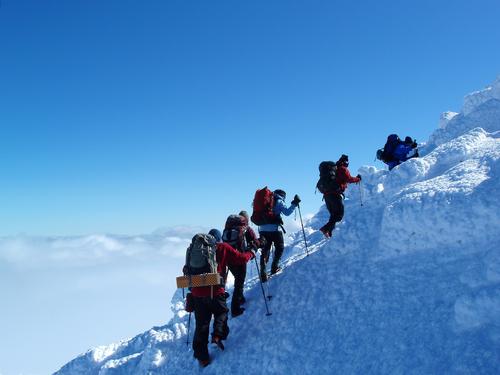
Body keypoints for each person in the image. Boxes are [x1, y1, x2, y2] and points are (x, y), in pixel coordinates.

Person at [189, 229, 256, 367]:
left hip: (197, 294)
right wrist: (252, 252)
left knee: (201, 324)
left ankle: (203, 357)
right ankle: (218, 335)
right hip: (215, 292)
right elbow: (241, 258)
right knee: (221, 312)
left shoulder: (195, 250)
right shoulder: (222, 247)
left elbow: (187, 270)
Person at [226, 211, 264, 317]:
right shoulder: (246, 229)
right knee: (239, 282)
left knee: (237, 279)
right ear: (246, 219)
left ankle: (240, 298)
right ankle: (235, 308)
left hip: (229, 258)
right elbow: (255, 242)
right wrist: (260, 242)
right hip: (240, 258)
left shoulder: (231, 228)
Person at [258, 190, 301, 281]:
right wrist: (295, 203)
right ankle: (274, 267)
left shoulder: (265, 201)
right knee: (279, 247)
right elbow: (287, 212)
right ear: (283, 196)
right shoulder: (279, 200)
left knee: (265, 250)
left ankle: (263, 271)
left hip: (262, 230)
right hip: (274, 230)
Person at [319, 154, 361, 238]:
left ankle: (330, 233)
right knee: (339, 215)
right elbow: (349, 179)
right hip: (335, 195)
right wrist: (358, 179)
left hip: (327, 196)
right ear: (345, 162)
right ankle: (325, 229)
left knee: (333, 215)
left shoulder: (334, 169)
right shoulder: (342, 169)